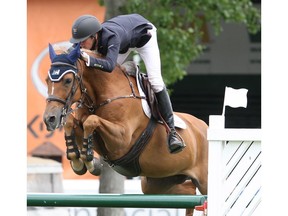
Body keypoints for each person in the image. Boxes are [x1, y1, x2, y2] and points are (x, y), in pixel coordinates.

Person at [69, 13, 185, 154]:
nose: (80, 45)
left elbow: (110, 65)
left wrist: (89, 59)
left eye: (83, 41)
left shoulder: (112, 37)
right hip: (125, 43)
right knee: (102, 77)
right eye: (78, 41)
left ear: (94, 36)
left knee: (155, 81)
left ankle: (172, 132)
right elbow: (72, 55)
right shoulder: (87, 40)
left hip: (144, 38)